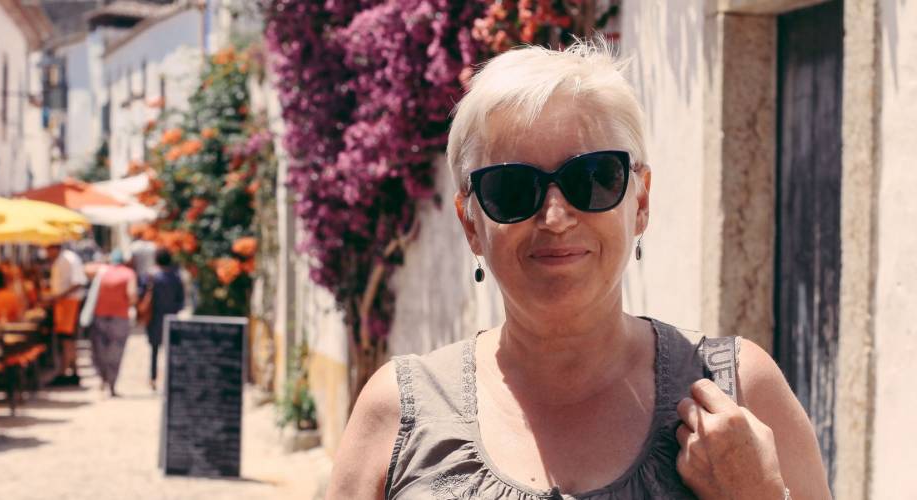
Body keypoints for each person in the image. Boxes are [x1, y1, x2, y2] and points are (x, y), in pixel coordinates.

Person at [327, 42, 831, 499]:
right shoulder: (399, 413)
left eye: (593, 178)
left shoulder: (741, 392)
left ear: (640, 202)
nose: (556, 217)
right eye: (511, 188)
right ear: (471, 223)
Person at [79, 250, 138, 397]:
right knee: (116, 352)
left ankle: (103, 379)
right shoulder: (129, 273)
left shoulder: (102, 271)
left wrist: (103, 263)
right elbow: (132, 296)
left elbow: (85, 269)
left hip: (100, 317)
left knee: (99, 350)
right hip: (120, 318)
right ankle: (111, 384)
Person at [144, 248, 184, 391]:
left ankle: (153, 378)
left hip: (154, 317)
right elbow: (181, 300)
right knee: (171, 350)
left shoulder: (152, 276)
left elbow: (143, 294)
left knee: (154, 350)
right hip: (171, 317)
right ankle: (170, 378)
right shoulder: (176, 277)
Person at [46, 243, 87, 384]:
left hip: (69, 303)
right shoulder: (62, 259)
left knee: (67, 340)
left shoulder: (68, 259)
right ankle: (71, 371)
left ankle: (67, 372)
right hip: (65, 303)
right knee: (66, 340)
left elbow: (78, 282)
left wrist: (58, 296)